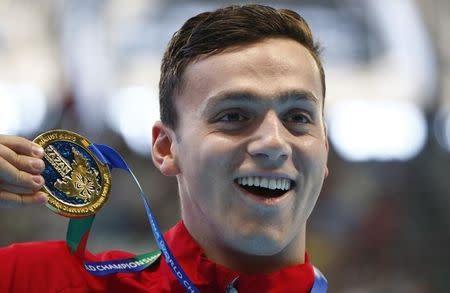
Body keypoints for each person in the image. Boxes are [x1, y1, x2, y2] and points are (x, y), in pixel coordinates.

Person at [0, 4, 329, 292]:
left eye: (298, 117)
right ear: (166, 147)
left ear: (324, 147)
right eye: (234, 115)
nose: (274, 142)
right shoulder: (35, 281)